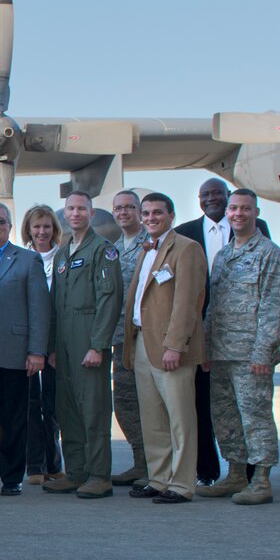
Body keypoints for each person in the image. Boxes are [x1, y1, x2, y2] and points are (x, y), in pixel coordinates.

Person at [176, 176, 272, 486]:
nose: (212, 199)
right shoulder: (188, 235)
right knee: (209, 407)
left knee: (250, 411)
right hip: (204, 338)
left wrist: (264, 346)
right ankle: (212, 471)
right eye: (206, 194)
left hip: (247, 343)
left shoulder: (262, 240)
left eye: (219, 194)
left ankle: (254, 476)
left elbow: (270, 297)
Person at [201, 188, 280, 505]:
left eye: (245, 208)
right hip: (222, 353)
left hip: (251, 356)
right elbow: (214, 307)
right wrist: (207, 348)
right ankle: (235, 474)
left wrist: (264, 352)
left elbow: (276, 307)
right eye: (233, 208)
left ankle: (262, 480)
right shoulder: (224, 255)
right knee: (226, 417)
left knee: (256, 417)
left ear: (256, 212)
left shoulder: (270, 254)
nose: (238, 213)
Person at [124, 192, 207, 504]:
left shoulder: (186, 248)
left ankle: (183, 483)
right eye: (146, 213)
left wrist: (175, 345)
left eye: (157, 213)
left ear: (171, 215)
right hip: (144, 342)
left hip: (171, 348)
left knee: (179, 418)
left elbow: (188, 302)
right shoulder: (147, 250)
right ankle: (159, 478)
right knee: (153, 418)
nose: (150, 218)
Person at [45, 191, 122, 499]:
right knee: (68, 410)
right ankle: (76, 471)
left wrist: (98, 345)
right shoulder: (64, 253)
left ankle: (99, 475)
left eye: (81, 209)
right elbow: (54, 303)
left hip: (87, 338)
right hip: (63, 343)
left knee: (93, 409)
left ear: (91, 214)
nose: (75, 213)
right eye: (70, 209)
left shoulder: (102, 250)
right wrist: (51, 346)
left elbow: (109, 300)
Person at [0, 202, 49, 494]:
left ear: (9, 226)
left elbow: (39, 309)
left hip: (14, 352)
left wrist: (37, 351)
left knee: (13, 419)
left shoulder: (28, 260)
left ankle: (12, 478)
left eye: (0, 222)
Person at [20, 203, 64, 485]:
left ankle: (55, 464)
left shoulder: (64, 258)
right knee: (29, 405)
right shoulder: (21, 258)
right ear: (29, 229)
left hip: (55, 346)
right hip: (27, 344)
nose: (41, 231)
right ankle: (35, 466)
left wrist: (54, 347)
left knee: (52, 407)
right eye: (36, 226)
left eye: (46, 226)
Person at [107, 189, 149, 486]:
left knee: (153, 403)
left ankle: (160, 464)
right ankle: (141, 461)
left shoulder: (154, 245)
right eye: (119, 208)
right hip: (121, 340)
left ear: (140, 211)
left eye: (129, 208)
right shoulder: (113, 248)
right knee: (124, 403)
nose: (123, 213)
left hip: (148, 338)